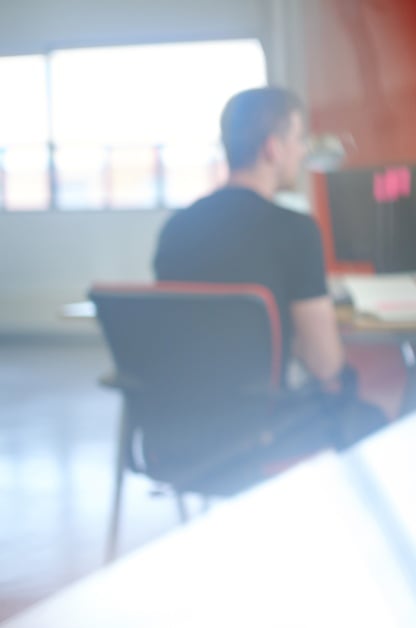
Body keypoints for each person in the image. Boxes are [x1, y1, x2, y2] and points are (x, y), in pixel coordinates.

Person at [155, 86, 384, 460]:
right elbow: (325, 365)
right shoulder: (295, 230)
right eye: (298, 139)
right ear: (272, 148)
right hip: (261, 436)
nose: (303, 150)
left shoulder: (175, 230)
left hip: (177, 437)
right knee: (372, 421)